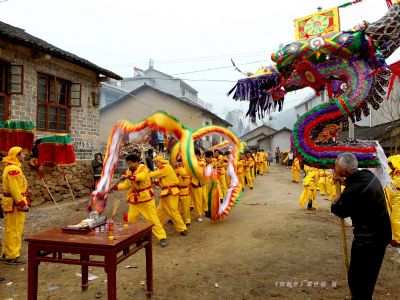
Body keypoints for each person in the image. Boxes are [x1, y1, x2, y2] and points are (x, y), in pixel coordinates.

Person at [331, 153, 392, 300]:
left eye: (336, 167)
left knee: (358, 279)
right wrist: (343, 181)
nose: (334, 169)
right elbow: (355, 185)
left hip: (368, 240)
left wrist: (335, 200)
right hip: (381, 234)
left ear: (344, 171)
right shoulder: (366, 175)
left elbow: (340, 210)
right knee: (368, 276)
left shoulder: (353, 191)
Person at [113, 153, 168, 247]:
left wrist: (127, 177)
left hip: (146, 199)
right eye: (128, 164)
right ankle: (134, 237)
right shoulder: (129, 171)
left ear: (137, 162)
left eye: (130, 163)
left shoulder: (143, 168)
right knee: (130, 219)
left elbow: (140, 177)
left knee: (152, 219)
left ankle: (162, 237)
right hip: (135, 201)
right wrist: (116, 187)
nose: (129, 166)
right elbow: (127, 185)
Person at [1, 146, 30, 264]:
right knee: (15, 229)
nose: (24, 156)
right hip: (15, 203)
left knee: (11, 228)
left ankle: (7, 252)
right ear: (17, 156)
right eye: (22, 154)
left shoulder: (12, 167)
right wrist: (22, 203)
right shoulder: (14, 169)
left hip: (13, 202)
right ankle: (12, 255)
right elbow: (14, 189)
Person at [150, 156, 188, 235]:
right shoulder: (165, 168)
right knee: (160, 211)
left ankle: (182, 228)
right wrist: (156, 182)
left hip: (171, 192)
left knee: (173, 211)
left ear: (160, 161)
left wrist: (147, 172)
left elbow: (154, 174)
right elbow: (163, 183)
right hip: (166, 193)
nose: (155, 164)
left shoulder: (165, 167)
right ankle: (156, 227)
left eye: (156, 162)